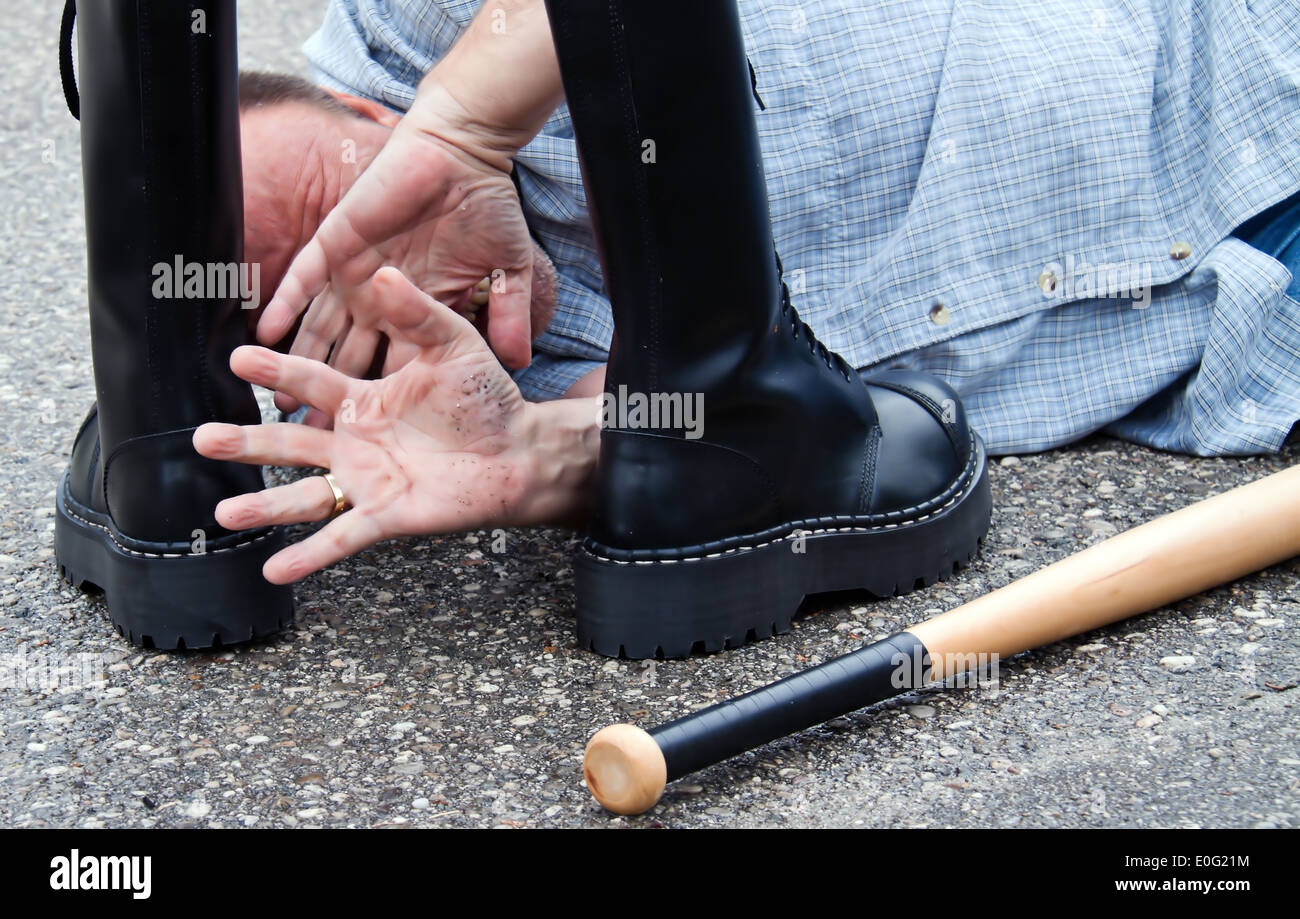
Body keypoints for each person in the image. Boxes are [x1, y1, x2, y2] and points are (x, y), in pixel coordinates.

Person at [196, 0, 1299, 656]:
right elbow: (701, 438)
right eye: (311, 300)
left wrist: (465, 127)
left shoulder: (410, 24)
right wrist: (531, 461)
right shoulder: (420, 400)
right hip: (1248, 303)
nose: (382, 277)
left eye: (339, 213)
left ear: (356, 106)